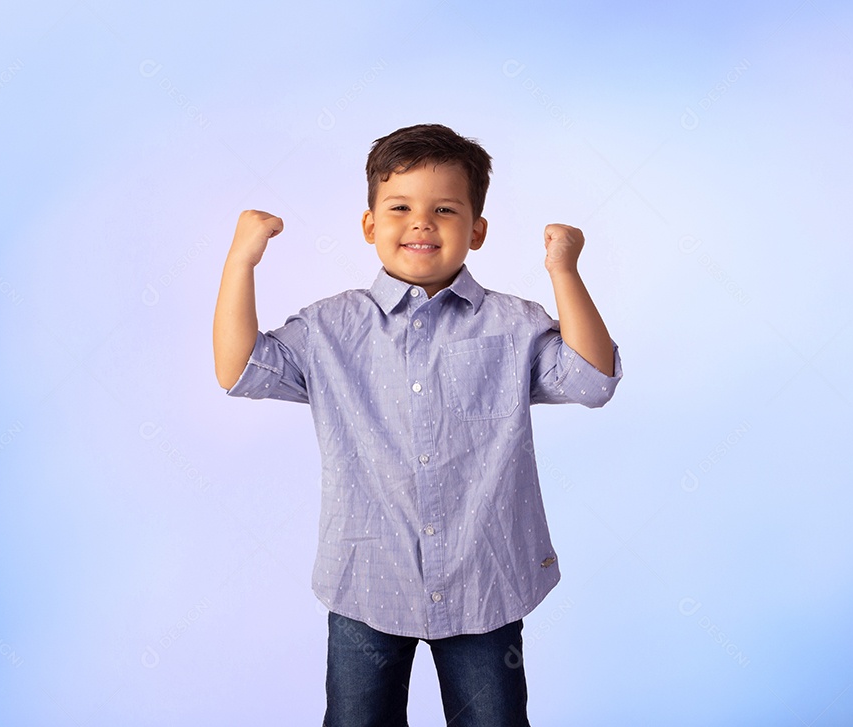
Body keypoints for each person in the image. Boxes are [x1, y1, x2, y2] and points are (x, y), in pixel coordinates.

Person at [212, 123, 621, 726]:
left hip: (486, 580)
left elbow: (592, 380)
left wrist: (563, 269)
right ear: (370, 224)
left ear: (476, 230)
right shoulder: (330, 328)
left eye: (445, 210)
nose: (421, 223)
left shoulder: (512, 324)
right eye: (400, 206)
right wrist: (241, 258)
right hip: (366, 581)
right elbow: (238, 369)